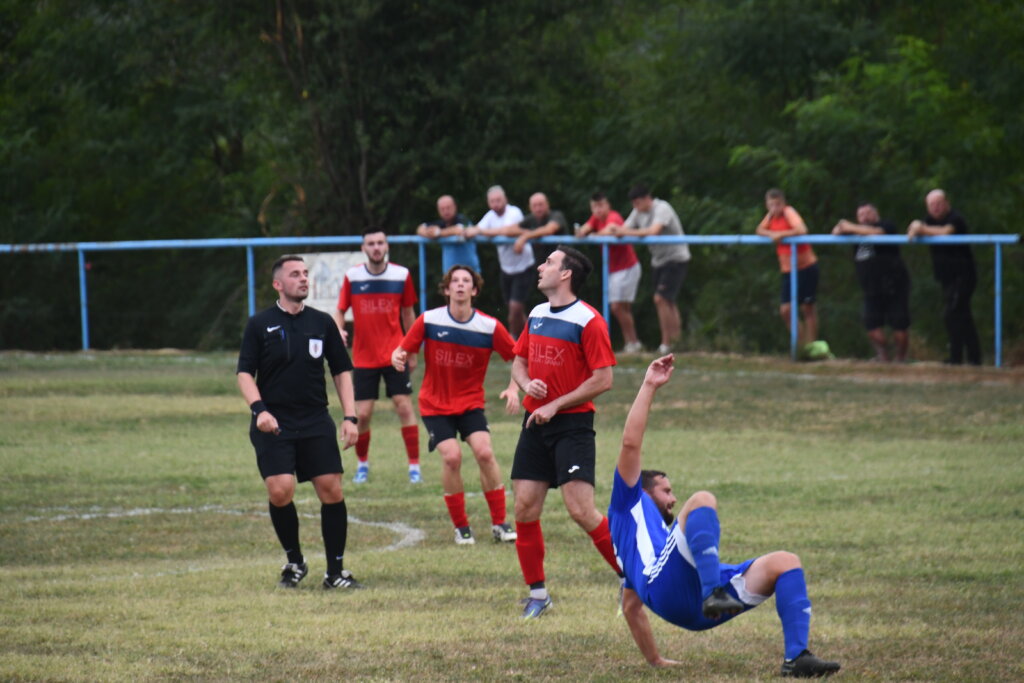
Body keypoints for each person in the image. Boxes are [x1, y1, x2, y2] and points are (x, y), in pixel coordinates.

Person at [609, 354, 841, 678]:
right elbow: (630, 443)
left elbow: (632, 608)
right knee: (702, 499)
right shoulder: (627, 501)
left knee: (785, 562)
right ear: (643, 488)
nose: (673, 498)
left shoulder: (644, 543)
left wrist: (655, 660)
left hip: (690, 605)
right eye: (665, 490)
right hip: (678, 589)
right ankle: (712, 593)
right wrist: (649, 385)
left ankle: (796, 656)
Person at [237, 255, 363, 590]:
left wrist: (350, 416)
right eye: (295, 275)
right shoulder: (259, 324)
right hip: (273, 421)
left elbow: (341, 371)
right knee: (281, 490)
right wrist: (259, 410)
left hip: (314, 419)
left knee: (331, 489)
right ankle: (295, 562)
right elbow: (244, 374)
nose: (304, 279)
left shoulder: (322, 323)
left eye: (306, 273)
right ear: (278, 284)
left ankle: (335, 572)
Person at [509, 245, 621, 619]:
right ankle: (538, 595)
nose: (540, 267)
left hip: (572, 426)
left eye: (549, 262)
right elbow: (519, 361)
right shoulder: (538, 314)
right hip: (534, 424)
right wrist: (527, 386)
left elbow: (603, 379)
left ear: (566, 274)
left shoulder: (589, 321)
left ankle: (633, 580)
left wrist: (556, 404)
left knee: (581, 510)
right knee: (524, 508)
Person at [391, 265, 521, 545]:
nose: (460, 285)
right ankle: (461, 527)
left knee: (485, 453)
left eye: (466, 281)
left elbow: (518, 358)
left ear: (474, 290)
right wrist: (397, 357)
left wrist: (513, 388)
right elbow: (402, 349)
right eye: (455, 281)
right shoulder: (429, 320)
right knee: (452, 458)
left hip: (471, 403)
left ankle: (500, 523)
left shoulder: (488, 326)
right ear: (447, 289)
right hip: (435, 404)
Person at [334, 229, 421, 484]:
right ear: (364, 248)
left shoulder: (401, 275)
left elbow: (409, 316)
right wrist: (338, 329)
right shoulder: (353, 276)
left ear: (387, 246)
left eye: (380, 243)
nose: (376, 247)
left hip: (395, 354)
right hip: (363, 357)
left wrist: (412, 352)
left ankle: (414, 467)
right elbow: (340, 311)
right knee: (363, 414)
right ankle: (362, 465)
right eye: (371, 243)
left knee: (404, 406)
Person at [907, 189, 981, 365]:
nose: (936, 208)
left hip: (964, 275)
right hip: (946, 278)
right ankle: (971, 358)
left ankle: (959, 357)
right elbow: (915, 228)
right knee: (962, 315)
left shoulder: (956, 218)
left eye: (939, 203)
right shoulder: (929, 221)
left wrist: (920, 228)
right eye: (932, 205)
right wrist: (915, 226)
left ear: (947, 203)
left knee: (952, 314)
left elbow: (945, 232)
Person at [833, 202, 911, 362]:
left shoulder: (886, 225)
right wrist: (842, 227)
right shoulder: (855, 233)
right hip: (870, 287)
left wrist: (850, 227)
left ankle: (901, 359)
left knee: (899, 325)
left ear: (876, 214)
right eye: (860, 214)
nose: (864, 217)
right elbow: (836, 232)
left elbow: (878, 232)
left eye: (867, 213)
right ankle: (883, 357)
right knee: (872, 326)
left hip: (894, 285)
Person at [619, 185, 691, 355]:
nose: (635, 207)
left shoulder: (662, 208)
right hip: (658, 261)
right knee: (668, 301)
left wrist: (628, 231)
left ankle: (666, 344)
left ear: (647, 198)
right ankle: (676, 342)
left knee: (660, 299)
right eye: (633, 204)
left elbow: (654, 231)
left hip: (676, 258)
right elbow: (623, 229)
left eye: (638, 203)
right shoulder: (638, 212)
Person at [755, 189, 820, 350]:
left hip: (806, 266)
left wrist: (781, 234)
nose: (775, 208)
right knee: (785, 310)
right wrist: (772, 234)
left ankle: (811, 347)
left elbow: (802, 229)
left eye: (777, 204)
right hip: (788, 269)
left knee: (807, 307)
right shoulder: (770, 216)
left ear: (783, 203)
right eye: (771, 205)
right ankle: (800, 345)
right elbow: (759, 230)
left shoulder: (788, 212)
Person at [578, 192, 643, 353]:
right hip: (615, 269)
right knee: (623, 308)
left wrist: (592, 234)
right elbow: (582, 231)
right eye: (594, 207)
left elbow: (611, 230)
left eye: (601, 205)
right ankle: (632, 343)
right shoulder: (595, 219)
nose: (598, 210)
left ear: (608, 205)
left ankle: (633, 342)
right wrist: (584, 232)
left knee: (617, 307)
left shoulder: (613, 216)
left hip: (626, 267)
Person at [464, 186, 529, 338]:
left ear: (505, 199)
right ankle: (532, 338)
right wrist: (473, 230)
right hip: (506, 268)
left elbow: (507, 231)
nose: (496, 204)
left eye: (498, 200)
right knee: (515, 311)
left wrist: (482, 231)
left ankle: (512, 341)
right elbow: (474, 229)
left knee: (515, 308)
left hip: (523, 266)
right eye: (492, 201)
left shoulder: (514, 212)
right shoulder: (490, 216)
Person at [416, 194, 480, 275]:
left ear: (455, 207)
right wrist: (429, 233)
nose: (446, 211)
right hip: (449, 275)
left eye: (448, 208)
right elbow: (420, 228)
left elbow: (459, 230)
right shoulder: (441, 224)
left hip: (470, 274)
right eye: (442, 209)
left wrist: (438, 233)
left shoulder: (463, 220)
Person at [511, 192, 568, 264]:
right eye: (534, 206)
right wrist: (526, 233)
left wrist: (525, 236)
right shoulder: (530, 219)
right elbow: (511, 229)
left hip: (562, 265)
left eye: (541, 204)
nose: (538, 209)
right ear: (530, 207)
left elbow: (549, 229)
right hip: (541, 267)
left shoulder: (557, 215)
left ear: (547, 204)